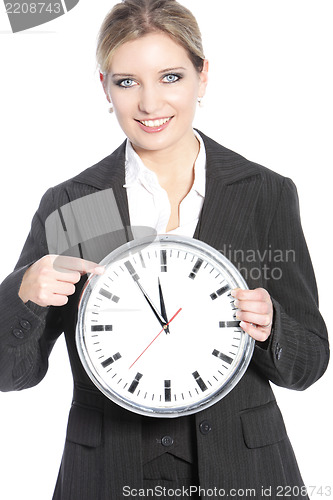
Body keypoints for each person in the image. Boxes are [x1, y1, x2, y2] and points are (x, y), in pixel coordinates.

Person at [0, 0, 329, 498]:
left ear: (203, 76)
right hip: (108, 473)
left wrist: (272, 326)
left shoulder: (264, 192)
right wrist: (23, 292)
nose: (150, 104)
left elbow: (309, 363)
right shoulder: (78, 205)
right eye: (127, 81)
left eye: (171, 77)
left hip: (244, 474)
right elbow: (12, 376)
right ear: (105, 89)